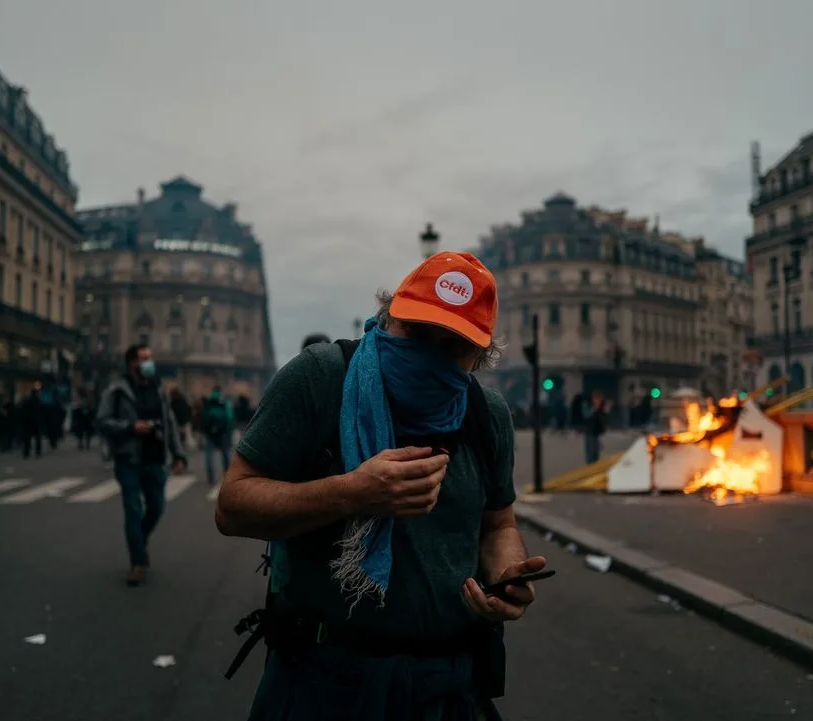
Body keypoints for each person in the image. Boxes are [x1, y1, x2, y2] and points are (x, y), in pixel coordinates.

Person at [216, 251, 545, 720]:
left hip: (447, 685)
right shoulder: (319, 378)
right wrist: (350, 493)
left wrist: (508, 576)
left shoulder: (486, 415)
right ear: (388, 317)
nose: (428, 354)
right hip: (322, 682)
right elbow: (232, 505)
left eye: (450, 345)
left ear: (479, 356)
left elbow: (498, 526)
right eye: (417, 331)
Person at [96, 344, 189, 587]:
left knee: (157, 508)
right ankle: (137, 562)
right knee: (133, 510)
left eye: (150, 358)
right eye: (143, 359)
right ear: (131, 363)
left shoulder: (158, 388)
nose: (149, 363)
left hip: (155, 458)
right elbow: (102, 420)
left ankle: (139, 541)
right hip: (129, 459)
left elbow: (168, 421)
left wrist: (178, 453)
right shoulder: (117, 390)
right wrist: (130, 427)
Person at [199, 385, 233, 487]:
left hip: (210, 432)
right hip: (223, 432)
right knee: (225, 454)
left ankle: (211, 477)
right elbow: (230, 417)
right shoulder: (225, 402)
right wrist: (228, 432)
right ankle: (227, 475)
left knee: (209, 456)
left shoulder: (208, 403)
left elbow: (203, 417)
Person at [582, 391, 610, 464]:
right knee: (590, 454)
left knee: (596, 454)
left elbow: (603, 419)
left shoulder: (601, 408)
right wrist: (594, 408)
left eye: (600, 400)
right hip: (589, 432)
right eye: (597, 399)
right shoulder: (587, 405)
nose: (598, 402)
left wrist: (605, 411)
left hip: (597, 432)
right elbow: (586, 416)